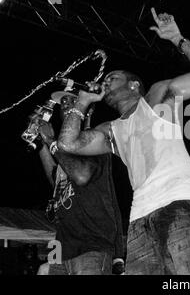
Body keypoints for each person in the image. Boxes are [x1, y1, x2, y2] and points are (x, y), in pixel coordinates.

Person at [57, 8, 190, 275]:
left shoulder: (157, 98)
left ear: (134, 85)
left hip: (179, 199)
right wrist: (83, 101)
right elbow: (68, 144)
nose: (106, 83)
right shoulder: (111, 129)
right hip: (139, 216)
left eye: (113, 78)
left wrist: (177, 39)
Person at [35, 91, 124, 275]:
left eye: (73, 100)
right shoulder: (64, 155)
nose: (67, 103)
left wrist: (51, 141)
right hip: (62, 249)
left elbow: (81, 175)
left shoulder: (94, 140)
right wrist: (41, 143)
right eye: (64, 102)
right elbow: (56, 180)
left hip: (91, 247)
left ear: (87, 111)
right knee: (43, 270)